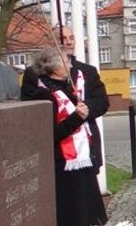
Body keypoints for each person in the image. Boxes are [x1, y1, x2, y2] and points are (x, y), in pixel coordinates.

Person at [22, 45, 107, 226]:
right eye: (65, 61)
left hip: (82, 163)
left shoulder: (70, 85)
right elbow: (48, 133)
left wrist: (83, 113)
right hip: (63, 167)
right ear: (53, 67)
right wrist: (75, 117)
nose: (70, 64)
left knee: (85, 223)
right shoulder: (43, 93)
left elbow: (99, 102)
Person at [20, 24, 110, 198]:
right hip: (56, 149)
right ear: (52, 42)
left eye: (71, 38)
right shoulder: (35, 74)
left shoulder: (87, 71)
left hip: (85, 144)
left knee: (88, 196)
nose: (68, 43)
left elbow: (102, 101)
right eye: (63, 39)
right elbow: (30, 106)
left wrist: (83, 111)